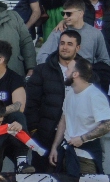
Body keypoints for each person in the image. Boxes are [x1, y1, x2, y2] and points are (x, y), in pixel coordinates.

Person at [27, 29, 83, 171]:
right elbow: (31, 102)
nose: (65, 47)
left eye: (70, 44)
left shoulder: (86, 71)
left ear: (78, 48)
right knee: (41, 181)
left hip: (77, 135)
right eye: (62, 43)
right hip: (45, 134)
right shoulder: (42, 70)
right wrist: (34, 130)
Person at [50, 59, 110, 175]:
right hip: (67, 155)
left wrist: (83, 138)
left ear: (75, 74)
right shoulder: (70, 93)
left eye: (68, 69)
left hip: (86, 160)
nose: (65, 72)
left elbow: (109, 124)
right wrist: (55, 147)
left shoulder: (95, 96)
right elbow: (64, 121)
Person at [36, 0, 109, 67]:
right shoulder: (59, 31)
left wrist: (92, 72)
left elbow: (104, 60)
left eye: (68, 13)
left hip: (86, 76)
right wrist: (58, 69)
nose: (64, 17)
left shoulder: (95, 33)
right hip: (62, 76)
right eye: (63, 13)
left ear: (80, 14)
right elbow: (41, 56)